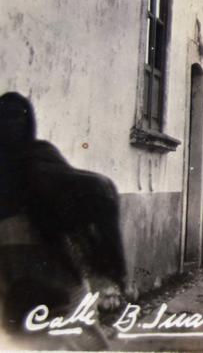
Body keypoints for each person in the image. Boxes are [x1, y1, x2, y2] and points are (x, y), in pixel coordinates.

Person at [0, 92, 127, 349]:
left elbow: (93, 190)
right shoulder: (39, 155)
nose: (11, 125)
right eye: (7, 118)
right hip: (39, 270)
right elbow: (98, 189)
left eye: (16, 119)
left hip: (33, 270)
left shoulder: (38, 157)